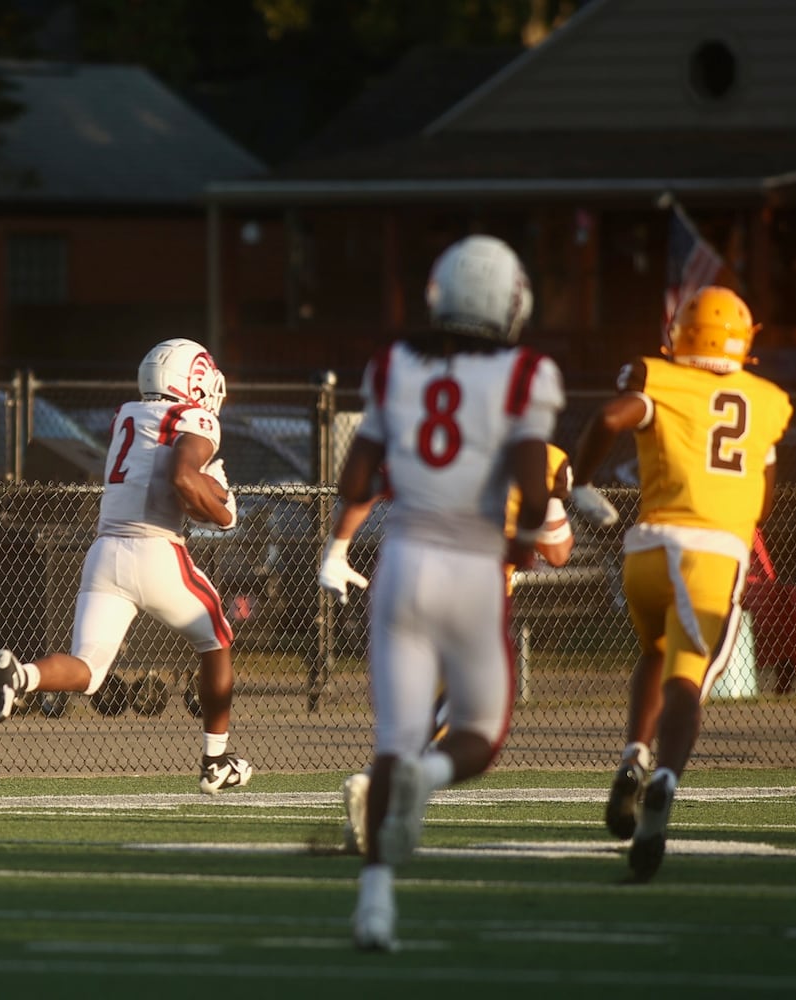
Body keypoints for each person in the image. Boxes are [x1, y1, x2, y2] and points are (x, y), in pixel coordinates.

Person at [316, 235, 563, 951]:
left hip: (402, 559)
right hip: (473, 564)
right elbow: (528, 472)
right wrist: (527, 539)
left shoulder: (393, 365)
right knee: (479, 739)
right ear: (511, 303)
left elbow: (356, 482)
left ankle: (373, 903)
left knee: (391, 743)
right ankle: (430, 776)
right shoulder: (526, 373)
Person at [565, 285, 791, 882]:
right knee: (688, 682)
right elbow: (764, 496)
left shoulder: (658, 378)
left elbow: (611, 416)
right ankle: (663, 782)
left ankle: (633, 758)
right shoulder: (767, 400)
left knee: (654, 652)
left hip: (647, 549)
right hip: (712, 554)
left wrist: (581, 484)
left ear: (681, 333)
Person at [0, 338, 252, 795]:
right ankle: (216, 761)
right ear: (195, 380)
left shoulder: (128, 414)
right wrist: (224, 509)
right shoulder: (195, 418)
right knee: (217, 639)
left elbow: (169, 476)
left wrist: (205, 492)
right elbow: (182, 479)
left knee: (90, 668)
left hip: (105, 551)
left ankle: (19, 674)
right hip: (155, 549)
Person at [339, 442, 576, 854]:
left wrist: (335, 550)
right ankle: (396, 785)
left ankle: (378, 804)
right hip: (475, 589)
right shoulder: (539, 451)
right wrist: (552, 502)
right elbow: (557, 552)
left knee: (414, 717)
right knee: (473, 723)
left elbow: (362, 482)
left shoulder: (426, 426)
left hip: (402, 578)